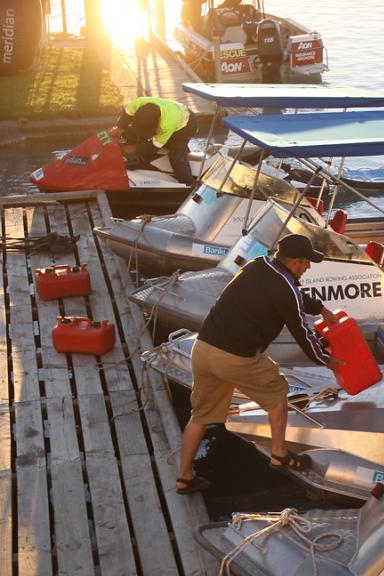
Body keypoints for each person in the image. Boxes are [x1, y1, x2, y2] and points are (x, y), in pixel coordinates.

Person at [176, 233, 341, 494]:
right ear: (295, 262)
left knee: (200, 416)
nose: (308, 267)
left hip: (204, 347)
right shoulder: (286, 286)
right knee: (278, 393)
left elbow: (293, 298)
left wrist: (320, 308)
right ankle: (279, 454)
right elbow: (302, 332)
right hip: (235, 357)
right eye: (306, 262)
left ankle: (184, 477)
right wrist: (328, 360)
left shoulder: (257, 264)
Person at [116, 97, 198, 186]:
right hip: (174, 111)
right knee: (132, 134)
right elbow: (125, 116)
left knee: (176, 155)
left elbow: (154, 146)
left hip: (186, 124)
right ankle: (136, 160)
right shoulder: (135, 104)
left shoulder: (166, 125)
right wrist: (119, 128)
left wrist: (134, 148)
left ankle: (189, 182)